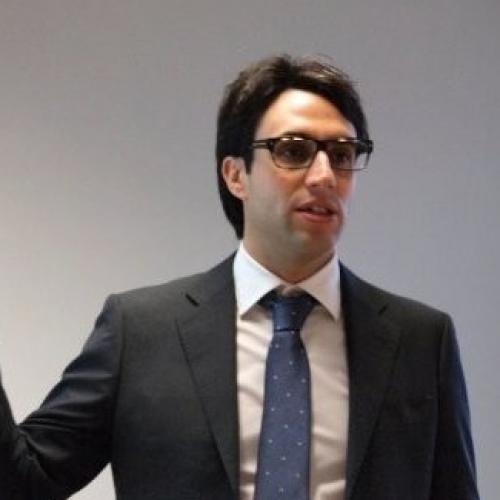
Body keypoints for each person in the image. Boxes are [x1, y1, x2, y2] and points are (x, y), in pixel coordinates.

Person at [0, 54, 478, 500]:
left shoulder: (420, 340)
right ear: (235, 175)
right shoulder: (141, 332)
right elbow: (24, 481)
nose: (324, 175)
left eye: (342, 153)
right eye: (294, 150)